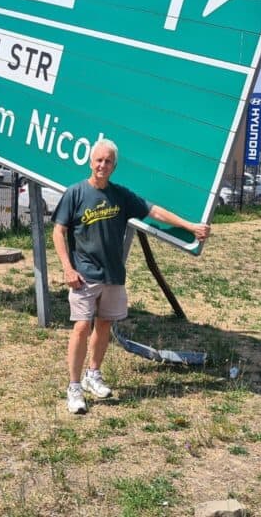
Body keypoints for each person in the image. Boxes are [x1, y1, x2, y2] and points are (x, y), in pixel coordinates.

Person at [52, 139, 210, 414]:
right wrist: (67, 267)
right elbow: (58, 231)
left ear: (114, 166)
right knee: (80, 327)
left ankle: (93, 375)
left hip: (113, 275)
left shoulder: (121, 196)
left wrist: (189, 226)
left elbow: (154, 211)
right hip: (84, 276)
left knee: (104, 326)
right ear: (91, 162)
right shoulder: (75, 193)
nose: (102, 165)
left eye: (108, 161)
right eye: (98, 160)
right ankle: (74, 387)